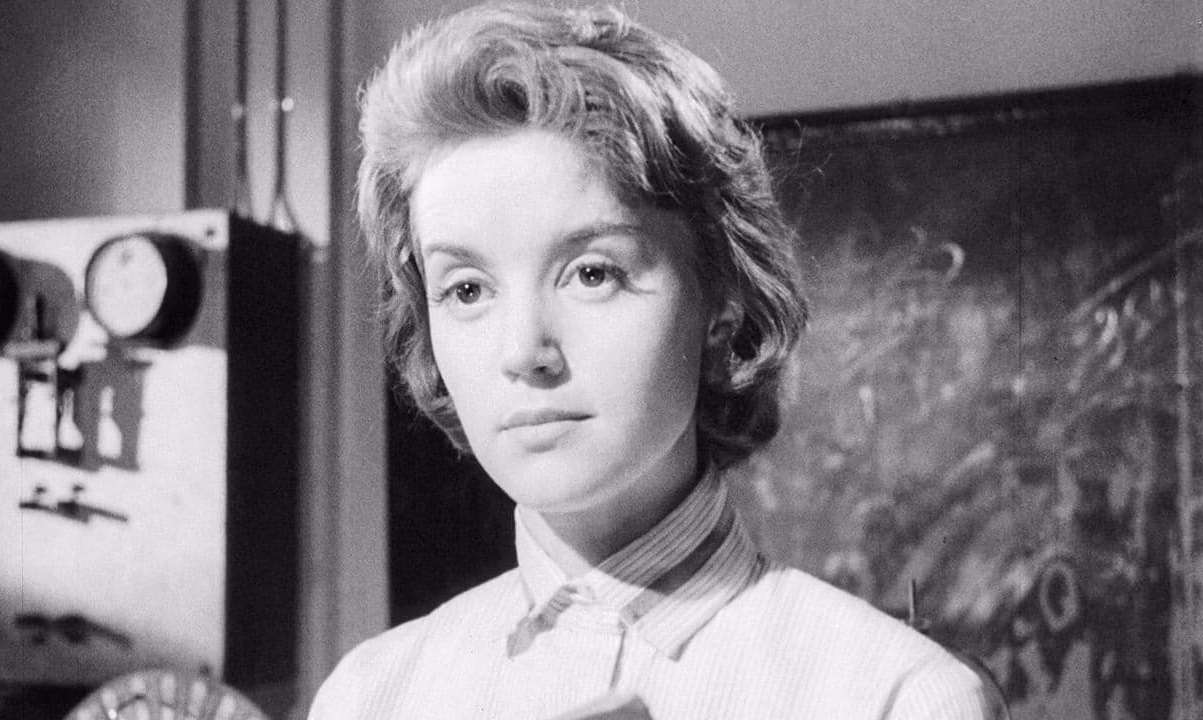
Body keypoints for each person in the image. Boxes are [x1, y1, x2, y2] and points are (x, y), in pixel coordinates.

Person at [310, 3, 994, 718]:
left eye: (592, 273)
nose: (523, 352)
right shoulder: (370, 698)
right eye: (467, 289)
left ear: (722, 302)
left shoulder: (895, 696)